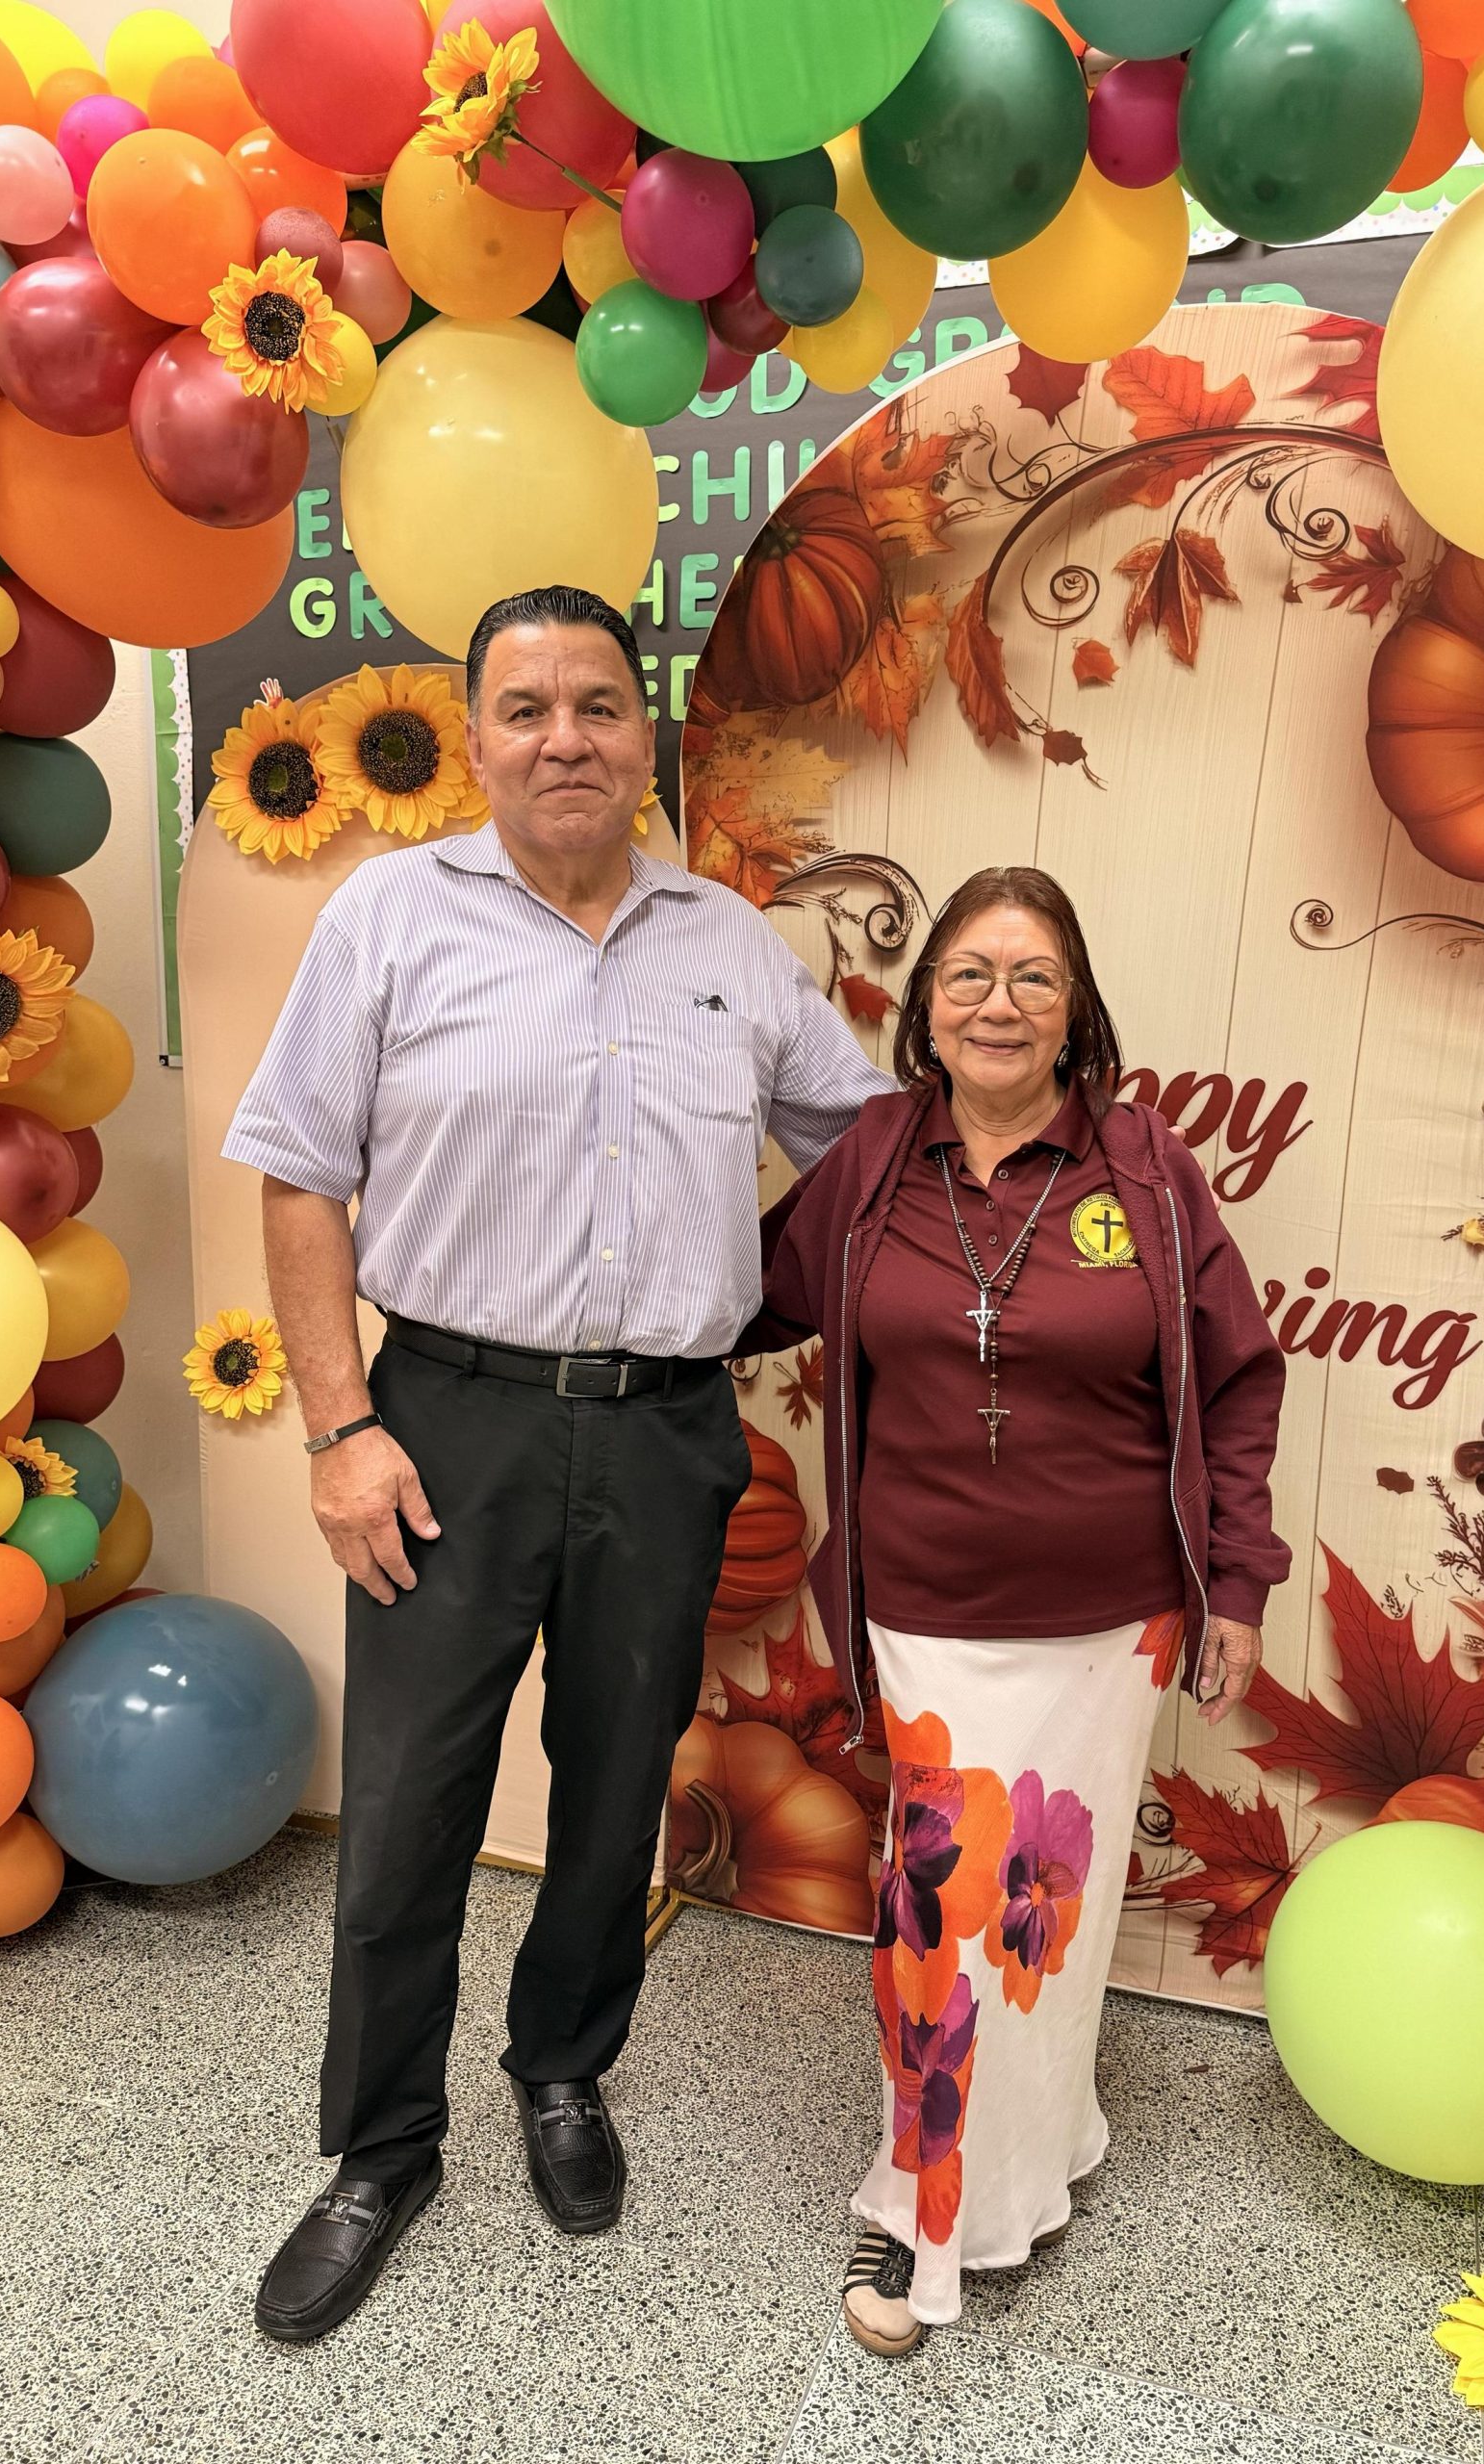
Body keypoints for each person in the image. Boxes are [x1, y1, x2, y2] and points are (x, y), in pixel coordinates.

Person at [222, 584, 890, 2344]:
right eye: (526, 710)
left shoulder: (730, 943)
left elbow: (867, 1155)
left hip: (668, 1433)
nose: (565, 738)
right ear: (476, 738)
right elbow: (300, 1173)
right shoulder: (389, 918)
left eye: (598, 704)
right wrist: (340, 1430)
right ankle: (381, 2150)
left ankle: (562, 2068)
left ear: (645, 734)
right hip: (444, 1424)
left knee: (613, 1789)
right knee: (408, 1811)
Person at [748, 864, 1289, 2355]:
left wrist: (1237, 1579)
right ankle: (930, 2208)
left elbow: (1237, 1379)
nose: (1000, 1003)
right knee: (944, 1916)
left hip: (1113, 1624)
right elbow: (743, 1298)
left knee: (1050, 1924)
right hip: (925, 1614)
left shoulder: (1148, 1172)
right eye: (970, 975)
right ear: (925, 1008)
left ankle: (1042, 2147)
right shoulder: (871, 1161)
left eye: (1033, 976)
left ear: (1075, 1010)